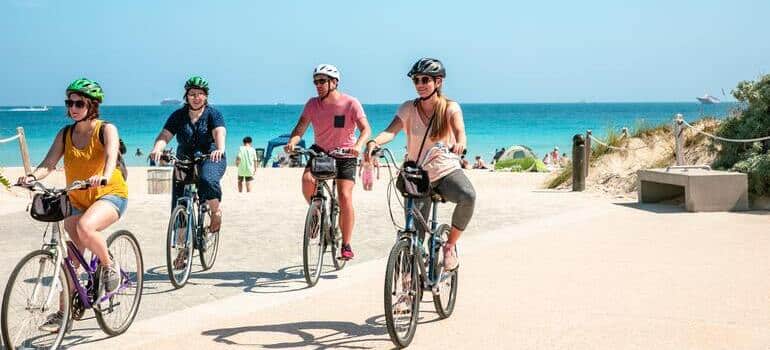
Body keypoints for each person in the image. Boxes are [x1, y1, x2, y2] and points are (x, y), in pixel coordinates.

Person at [17, 78, 128, 329]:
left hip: (109, 193)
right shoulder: (65, 133)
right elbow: (48, 164)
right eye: (70, 103)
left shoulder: (106, 129)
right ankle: (63, 314)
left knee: (85, 228)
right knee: (70, 258)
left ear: (92, 105)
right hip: (77, 197)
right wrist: (32, 177)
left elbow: (111, 155)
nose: (73, 108)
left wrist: (104, 175)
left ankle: (109, 267)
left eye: (79, 103)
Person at [365, 58, 475, 271]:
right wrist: (374, 142)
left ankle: (449, 246)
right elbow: (391, 131)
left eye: (425, 80)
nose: (420, 84)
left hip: (444, 172)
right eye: (416, 80)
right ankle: (409, 277)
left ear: (438, 82)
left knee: (468, 196)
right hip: (416, 176)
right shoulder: (408, 108)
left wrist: (460, 143)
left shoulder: (449, 107)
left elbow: (460, 130)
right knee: (415, 235)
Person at [284, 64, 372, 260]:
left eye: (322, 81)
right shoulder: (312, 104)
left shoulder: (350, 103)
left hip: (345, 153)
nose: (318, 85)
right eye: (315, 82)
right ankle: (316, 214)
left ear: (334, 82)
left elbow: (366, 129)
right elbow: (300, 128)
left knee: (344, 196)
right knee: (307, 180)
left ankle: (346, 244)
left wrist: (358, 145)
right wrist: (292, 142)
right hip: (321, 151)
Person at [150, 76, 226, 237]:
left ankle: (215, 212)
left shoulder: (213, 114)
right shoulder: (178, 115)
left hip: (210, 156)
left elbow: (219, 131)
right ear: (186, 96)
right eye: (192, 94)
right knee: (179, 198)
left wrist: (220, 148)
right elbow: (165, 135)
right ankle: (180, 242)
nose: (196, 98)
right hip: (184, 158)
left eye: (200, 94)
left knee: (207, 179)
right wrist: (157, 148)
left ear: (206, 96)